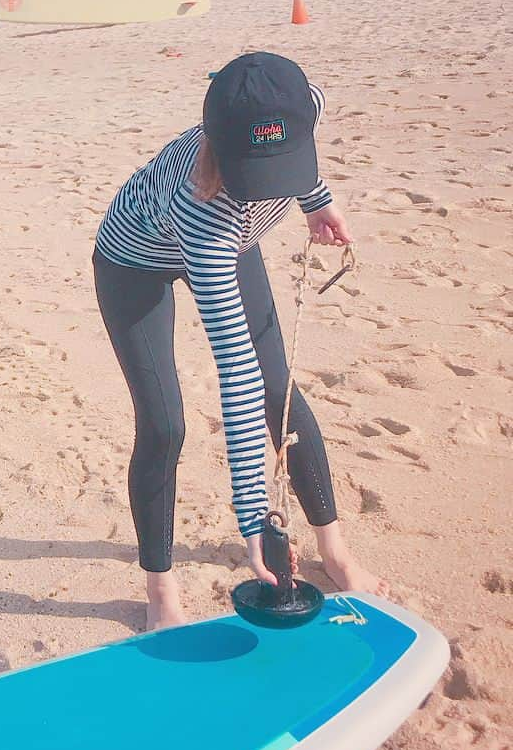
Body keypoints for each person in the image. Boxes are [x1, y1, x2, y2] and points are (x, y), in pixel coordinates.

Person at [93, 52, 385, 630]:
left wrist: (316, 199)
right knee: (164, 423)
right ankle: (159, 589)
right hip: (136, 261)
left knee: (284, 394)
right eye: (258, 171)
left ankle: (335, 551)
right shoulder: (203, 208)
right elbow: (236, 374)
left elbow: (294, 149)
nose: (267, 187)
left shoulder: (304, 102)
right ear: (221, 148)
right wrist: (254, 519)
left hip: (234, 240)